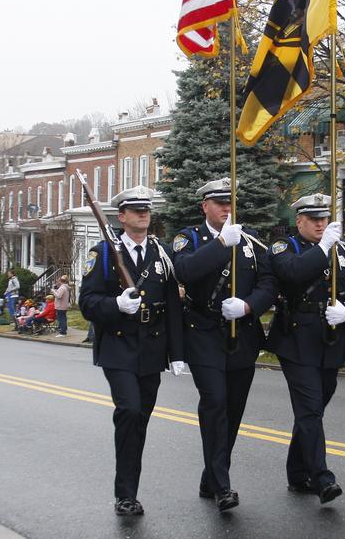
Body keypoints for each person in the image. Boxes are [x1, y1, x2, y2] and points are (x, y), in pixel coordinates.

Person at [172, 178, 277, 512]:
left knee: (233, 410)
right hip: (204, 331)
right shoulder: (188, 239)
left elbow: (268, 281)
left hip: (242, 333)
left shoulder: (250, 241)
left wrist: (249, 306)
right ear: (205, 206)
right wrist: (219, 245)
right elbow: (184, 271)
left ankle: (211, 477)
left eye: (230, 202)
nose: (226, 208)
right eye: (220, 203)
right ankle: (222, 485)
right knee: (215, 403)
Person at [79, 186, 184, 516]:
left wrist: (177, 352)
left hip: (152, 348)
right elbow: (87, 302)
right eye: (136, 210)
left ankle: (129, 489)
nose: (144, 214)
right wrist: (116, 305)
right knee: (129, 410)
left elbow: (172, 306)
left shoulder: (162, 252)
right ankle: (125, 494)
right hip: (119, 346)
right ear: (121, 217)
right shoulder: (105, 253)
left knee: (139, 420)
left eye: (147, 209)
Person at [267, 193, 345, 504]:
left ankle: (297, 472)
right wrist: (324, 247)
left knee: (312, 412)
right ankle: (322, 477)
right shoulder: (284, 247)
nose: (319, 224)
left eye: (323, 218)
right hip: (297, 340)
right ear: (298, 221)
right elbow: (292, 273)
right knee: (310, 409)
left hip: (331, 341)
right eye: (313, 219)